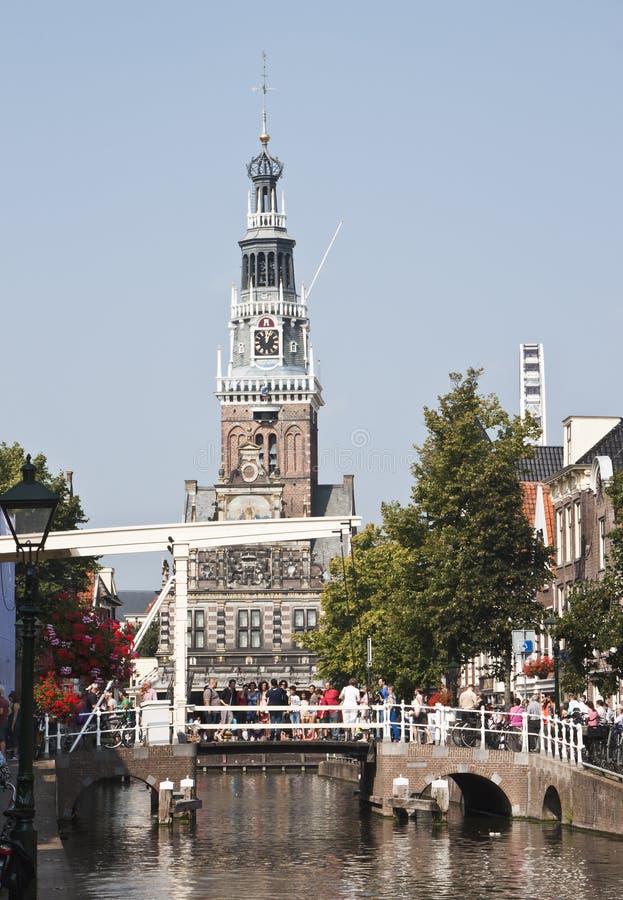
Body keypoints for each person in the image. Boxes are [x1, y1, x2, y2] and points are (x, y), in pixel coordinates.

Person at [7, 691, 20, 760]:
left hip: (15, 724)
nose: (9, 699)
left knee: (15, 738)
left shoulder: (15, 705)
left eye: (10, 698)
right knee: (13, 738)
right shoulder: (12, 704)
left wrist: (12, 725)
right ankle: (14, 755)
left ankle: (15, 755)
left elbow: (15, 716)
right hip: (14, 723)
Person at [0, 687, 9, 756]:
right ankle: (3, 755)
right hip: (5, 721)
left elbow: (1, 711)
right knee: (2, 739)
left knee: (1, 739)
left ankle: (2, 755)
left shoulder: (0, 700)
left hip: (1, 722)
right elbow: (9, 711)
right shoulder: (6, 700)